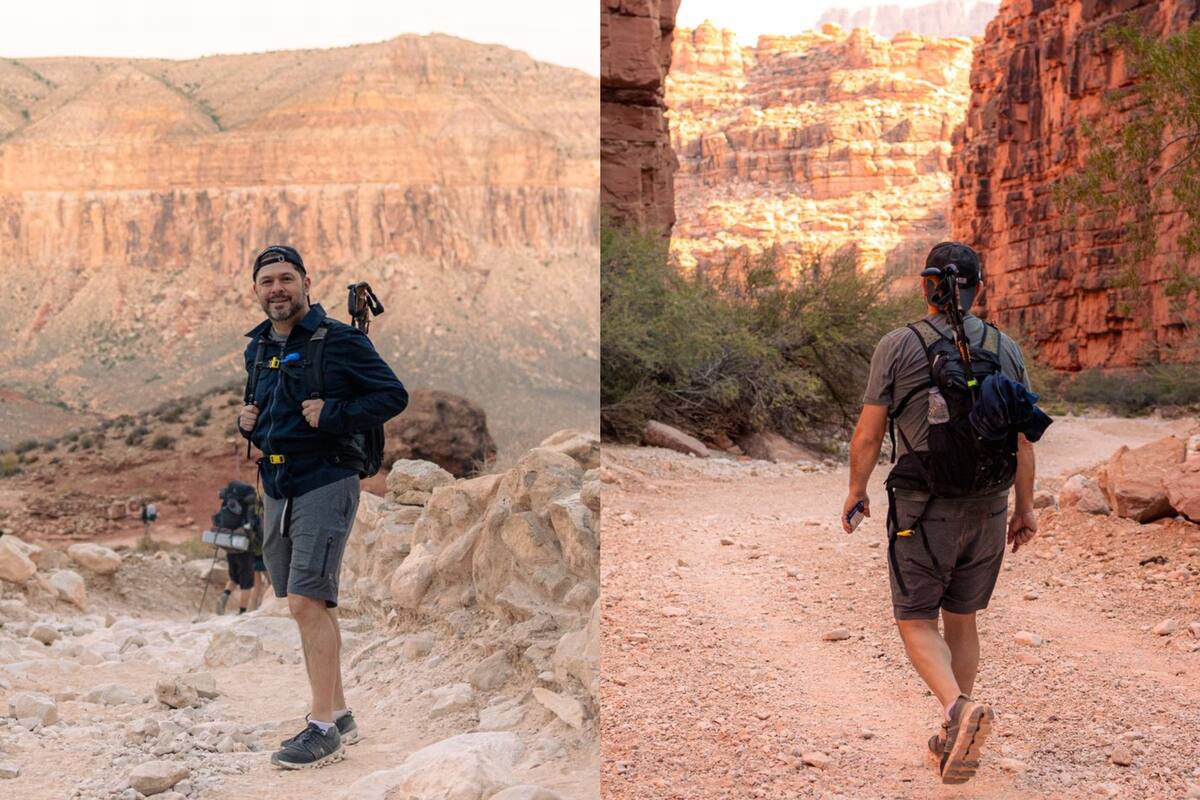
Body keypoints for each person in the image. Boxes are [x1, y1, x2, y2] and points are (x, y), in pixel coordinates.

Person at [840, 241, 1048, 785]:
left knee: (914, 619)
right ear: (978, 288)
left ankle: (959, 710)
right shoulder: (1006, 348)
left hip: (922, 506)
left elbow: (868, 432)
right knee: (962, 618)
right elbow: (1025, 441)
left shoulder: (898, 344)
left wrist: (856, 488)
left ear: (926, 286)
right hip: (988, 503)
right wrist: (1024, 508)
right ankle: (957, 728)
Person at [238, 245, 408, 769]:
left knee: (306, 602)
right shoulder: (258, 346)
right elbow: (271, 409)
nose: (277, 289)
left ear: (306, 282)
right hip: (277, 482)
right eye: (267, 282)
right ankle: (340, 711)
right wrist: (246, 423)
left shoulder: (341, 341)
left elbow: (392, 396)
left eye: (286, 279)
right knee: (306, 600)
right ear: (256, 291)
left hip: (326, 479)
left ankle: (321, 729)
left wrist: (334, 412)